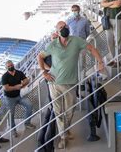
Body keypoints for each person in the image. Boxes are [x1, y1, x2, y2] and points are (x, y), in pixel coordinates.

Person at [37, 21, 105, 149]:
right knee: (58, 112)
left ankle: (65, 130)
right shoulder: (52, 45)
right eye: (61, 28)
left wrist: (100, 61)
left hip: (70, 83)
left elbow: (91, 48)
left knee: (69, 110)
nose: (64, 29)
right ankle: (63, 136)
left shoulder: (76, 41)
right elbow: (40, 56)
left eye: (66, 27)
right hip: (53, 83)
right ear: (57, 32)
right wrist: (43, 72)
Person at [1, 60, 34, 135]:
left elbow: (26, 80)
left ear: (13, 65)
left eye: (11, 65)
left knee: (29, 105)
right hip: (9, 98)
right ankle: (13, 130)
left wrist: (23, 84)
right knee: (11, 114)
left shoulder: (19, 73)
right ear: (6, 67)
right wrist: (16, 87)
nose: (10, 67)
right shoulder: (4, 76)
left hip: (19, 96)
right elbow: (6, 88)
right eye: (8, 66)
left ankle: (27, 123)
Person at [100, 0, 121, 65]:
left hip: (117, 18)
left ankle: (118, 60)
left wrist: (108, 4)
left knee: (118, 39)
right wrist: (112, 3)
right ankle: (112, 59)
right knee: (109, 40)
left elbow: (118, 5)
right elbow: (102, 4)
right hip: (107, 19)